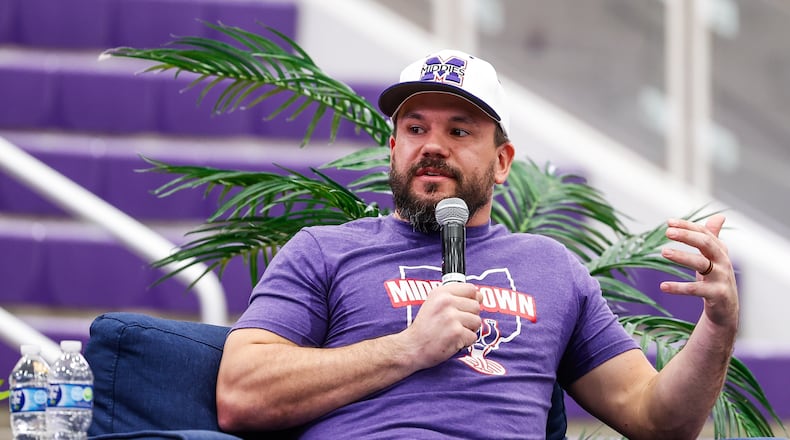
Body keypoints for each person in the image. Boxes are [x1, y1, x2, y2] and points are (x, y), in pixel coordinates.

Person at [215, 49, 739, 439]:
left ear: (503, 161)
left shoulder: (551, 268)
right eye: (416, 128)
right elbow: (240, 393)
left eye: (460, 132)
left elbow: (657, 420)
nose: (434, 146)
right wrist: (407, 350)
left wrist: (718, 327)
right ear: (393, 149)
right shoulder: (323, 251)